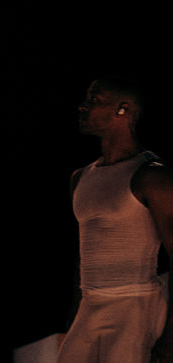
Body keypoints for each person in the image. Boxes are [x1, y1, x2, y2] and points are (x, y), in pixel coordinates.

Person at [58, 77, 173, 363]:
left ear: (123, 109)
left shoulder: (151, 176)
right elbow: (83, 259)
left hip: (134, 307)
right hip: (90, 306)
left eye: (93, 101)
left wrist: (171, 338)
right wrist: (75, 318)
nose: (82, 107)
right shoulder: (80, 178)